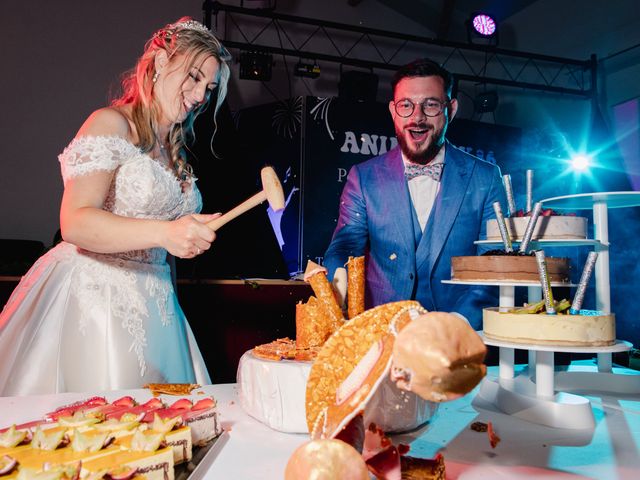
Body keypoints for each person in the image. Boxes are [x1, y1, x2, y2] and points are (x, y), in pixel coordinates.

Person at [0, 17, 231, 395]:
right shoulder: (110, 124)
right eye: (193, 77)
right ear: (158, 64)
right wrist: (165, 232)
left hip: (158, 305)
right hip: (96, 301)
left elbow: (161, 250)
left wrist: (180, 240)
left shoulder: (174, 152)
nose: (200, 95)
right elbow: (74, 222)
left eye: (209, 86)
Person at [323, 58, 506, 329]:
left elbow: (496, 262)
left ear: (451, 110)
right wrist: (339, 293)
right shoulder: (363, 178)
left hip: (458, 340)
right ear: (393, 111)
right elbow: (344, 249)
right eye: (406, 105)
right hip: (383, 335)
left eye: (430, 105)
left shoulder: (486, 177)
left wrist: (455, 325)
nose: (417, 117)